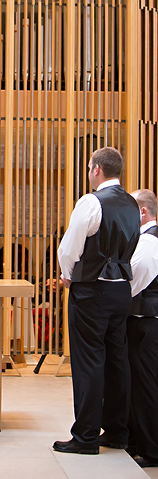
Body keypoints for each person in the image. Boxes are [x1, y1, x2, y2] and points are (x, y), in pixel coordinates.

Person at [53, 147, 141, 455]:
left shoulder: (91, 201)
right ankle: (117, 431)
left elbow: (69, 248)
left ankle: (86, 436)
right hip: (122, 290)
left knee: (88, 361)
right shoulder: (132, 203)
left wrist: (67, 275)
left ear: (96, 170)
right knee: (117, 361)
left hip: (92, 289)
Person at [126, 189, 158, 468]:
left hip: (147, 321)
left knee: (146, 386)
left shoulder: (148, 241)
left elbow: (134, 279)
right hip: (147, 320)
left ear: (143, 212)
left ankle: (151, 449)